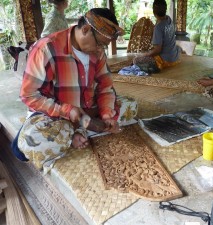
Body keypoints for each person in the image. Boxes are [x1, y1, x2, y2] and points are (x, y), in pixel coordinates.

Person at [13, 8, 136, 171]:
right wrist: (67, 110)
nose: (100, 49)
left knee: (131, 106)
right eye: (100, 43)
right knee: (31, 140)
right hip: (56, 115)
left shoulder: (98, 52)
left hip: (88, 111)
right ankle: (73, 134)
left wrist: (107, 115)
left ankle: (76, 133)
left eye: (104, 46)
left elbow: (105, 87)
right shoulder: (46, 48)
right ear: (85, 30)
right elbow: (29, 95)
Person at [133, 0, 181, 73]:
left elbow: (157, 50)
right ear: (165, 10)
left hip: (165, 60)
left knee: (136, 60)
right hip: (175, 58)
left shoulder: (158, 27)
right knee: (177, 47)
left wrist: (144, 54)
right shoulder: (169, 19)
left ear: (154, 11)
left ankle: (154, 69)